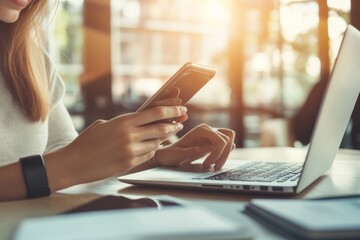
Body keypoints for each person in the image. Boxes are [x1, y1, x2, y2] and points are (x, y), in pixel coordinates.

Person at [0, 0, 235, 201]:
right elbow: (66, 165)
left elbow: (64, 154)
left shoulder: (32, 61)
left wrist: (155, 156)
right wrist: (71, 163)